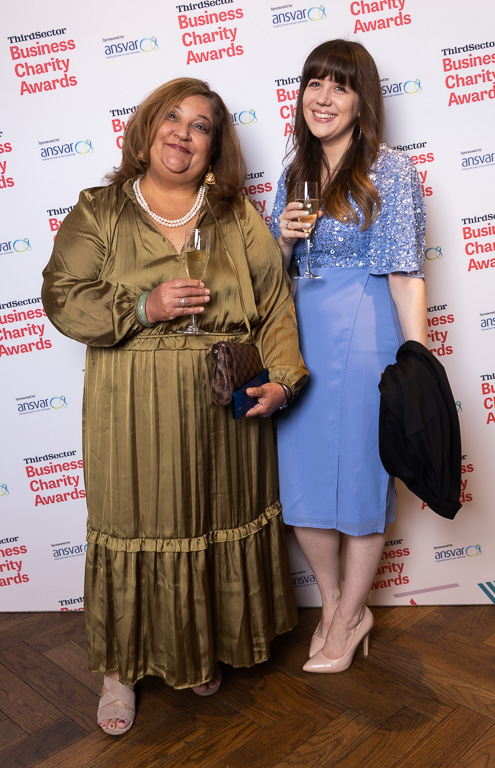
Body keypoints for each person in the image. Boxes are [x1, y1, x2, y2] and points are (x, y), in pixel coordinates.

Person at [42, 77, 308, 734]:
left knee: (212, 518)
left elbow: (274, 303)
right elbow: (61, 295)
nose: (183, 133)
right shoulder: (101, 209)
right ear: (147, 128)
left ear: (214, 147)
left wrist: (282, 380)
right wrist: (142, 306)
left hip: (223, 408)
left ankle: (201, 648)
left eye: (200, 125)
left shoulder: (234, 215)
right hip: (132, 405)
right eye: (172, 117)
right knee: (136, 523)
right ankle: (120, 670)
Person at [269, 40, 427, 673]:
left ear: (363, 101)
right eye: (315, 83)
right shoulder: (294, 172)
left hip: (365, 331)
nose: (324, 97)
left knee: (361, 475)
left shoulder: (391, 170)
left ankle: (354, 611)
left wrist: (417, 360)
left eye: (340, 85)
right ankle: (336, 603)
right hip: (299, 333)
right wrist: (282, 241)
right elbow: (272, 273)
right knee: (302, 478)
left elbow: (405, 274)